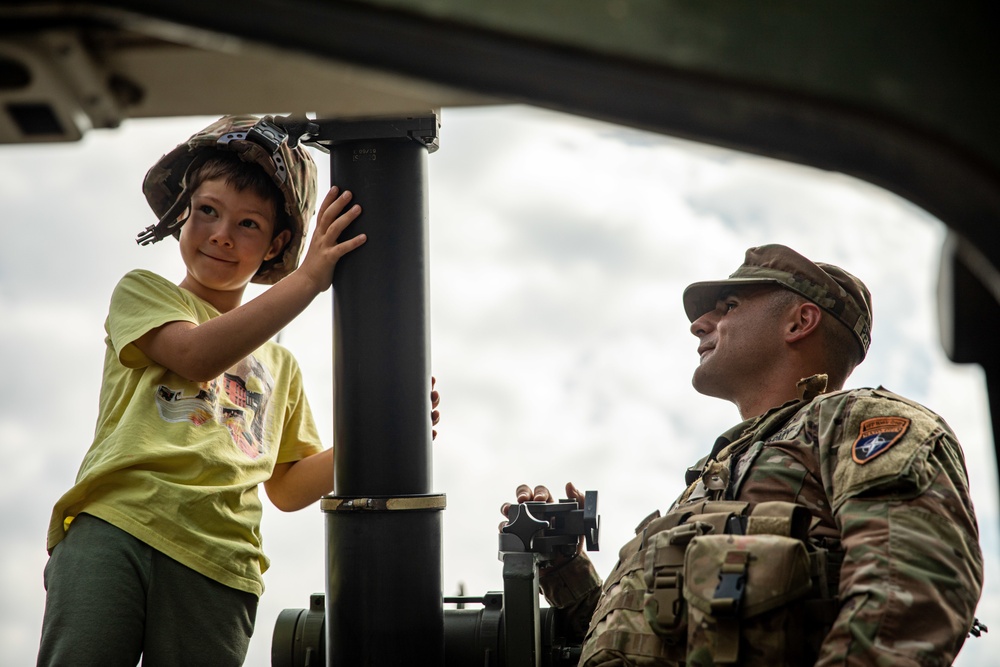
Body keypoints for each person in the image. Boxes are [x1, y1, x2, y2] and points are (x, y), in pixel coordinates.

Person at [37, 115, 440, 666]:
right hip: (118, 527)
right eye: (207, 211)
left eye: (248, 224)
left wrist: (386, 430)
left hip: (220, 561)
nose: (222, 233)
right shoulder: (145, 294)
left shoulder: (280, 366)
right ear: (180, 213)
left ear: (275, 245)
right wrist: (310, 281)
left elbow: (290, 488)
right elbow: (197, 354)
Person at [504, 244, 983, 666]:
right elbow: (650, 642)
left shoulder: (858, 423)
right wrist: (564, 567)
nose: (698, 325)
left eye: (728, 306)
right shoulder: (709, 483)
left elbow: (913, 590)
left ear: (799, 322)